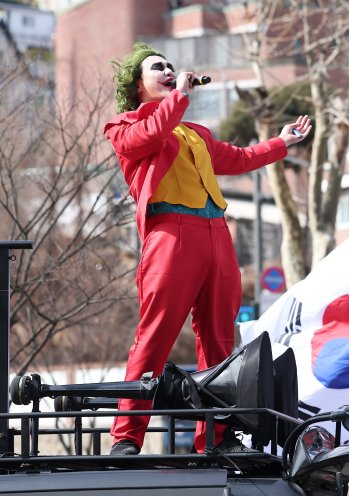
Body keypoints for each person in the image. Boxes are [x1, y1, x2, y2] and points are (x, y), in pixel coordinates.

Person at [104, 42, 311, 455]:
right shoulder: (125, 125)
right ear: (137, 86)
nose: (167, 70)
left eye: (170, 65)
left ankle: (214, 439)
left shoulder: (196, 133)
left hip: (217, 232)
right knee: (155, 335)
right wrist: (178, 95)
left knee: (219, 341)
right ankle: (126, 437)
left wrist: (280, 143)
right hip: (171, 234)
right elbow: (150, 134)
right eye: (157, 68)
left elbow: (236, 158)